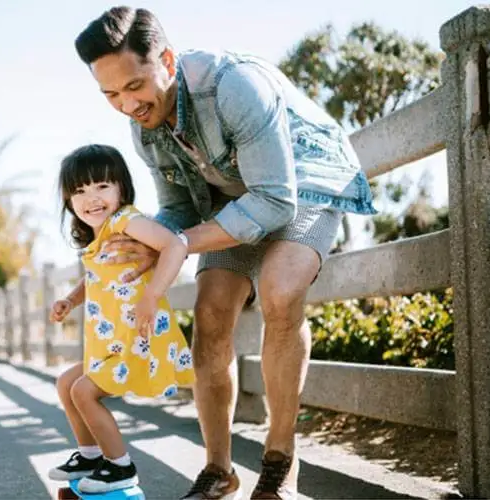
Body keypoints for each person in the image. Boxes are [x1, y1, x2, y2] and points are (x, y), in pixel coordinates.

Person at [74, 8, 376, 499]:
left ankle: (280, 462)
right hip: (232, 200)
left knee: (278, 292)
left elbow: (276, 200)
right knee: (211, 312)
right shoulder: (144, 124)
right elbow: (175, 207)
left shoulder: (234, 85)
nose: (127, 104)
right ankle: (219, 471)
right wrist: (146, 242)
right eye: (110, 94)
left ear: (166, 60)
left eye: (134, 86)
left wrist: (183, 242)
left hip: (305, 182)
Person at [47, 144, 195, 494]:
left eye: (101, 186)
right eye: (79, 191)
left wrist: (152, 295)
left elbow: (174, 245)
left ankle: (120, 466)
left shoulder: (126, 221)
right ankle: (90, 455)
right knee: (67, 383)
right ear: (69, 200)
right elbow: (96, 276)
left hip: (138, 338)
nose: (91, 198)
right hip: (113, 342)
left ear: (121, 189)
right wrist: (70, 299)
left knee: (84, 392)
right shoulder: (100, 236)